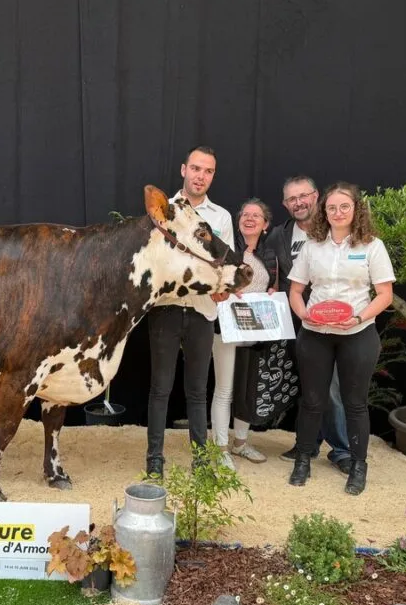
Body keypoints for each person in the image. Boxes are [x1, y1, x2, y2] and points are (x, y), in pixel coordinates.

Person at [287, 182, 394, 495]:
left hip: (357, 334)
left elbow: (385, 294)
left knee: (355, 404)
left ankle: (358, 465)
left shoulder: (372, 246)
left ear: (355, 209)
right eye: (331, 207)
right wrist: (303, 314)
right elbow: (295, 290)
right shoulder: (312, 246)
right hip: (315, 334)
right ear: (325, 211)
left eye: (344, 207)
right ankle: (303, 459)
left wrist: (359, 317)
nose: (337, 212)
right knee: (312, 401)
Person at [146, 146, 234, 477]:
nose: (200, 176)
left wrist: (223, 288)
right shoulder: (163, 210)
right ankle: (155, 458)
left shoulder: (221, 217)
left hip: (202, 311)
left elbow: (225, 264)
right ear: (184, 169)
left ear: (213, 176)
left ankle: (200, 460)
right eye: (195, 168)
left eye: (208, 171)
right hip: (166, 309)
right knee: (160, 388)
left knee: (197, 390)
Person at [266, 176, 353, 474]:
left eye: (303, 195)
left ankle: (342, 449)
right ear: (285, 204)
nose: (298, 202)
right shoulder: (279, 235)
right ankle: (310, 443)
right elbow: (273, 275)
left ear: (316, 195)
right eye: (292, 199)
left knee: (332, 388)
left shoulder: (336, 230)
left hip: (336, 325)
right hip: (296, 323)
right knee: (308, 386)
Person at [210, 198, 278, 466]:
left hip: (255, 328)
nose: (250, 219)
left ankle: (241, 443)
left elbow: (273, 284)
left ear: (265, 224)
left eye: (256, 216)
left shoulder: (270, 255)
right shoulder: (227, 250)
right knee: (224, 389)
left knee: (248, 389)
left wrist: (273, 290)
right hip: (225, 326)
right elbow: (214, 281)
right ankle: (221, 448)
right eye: (245, 214)